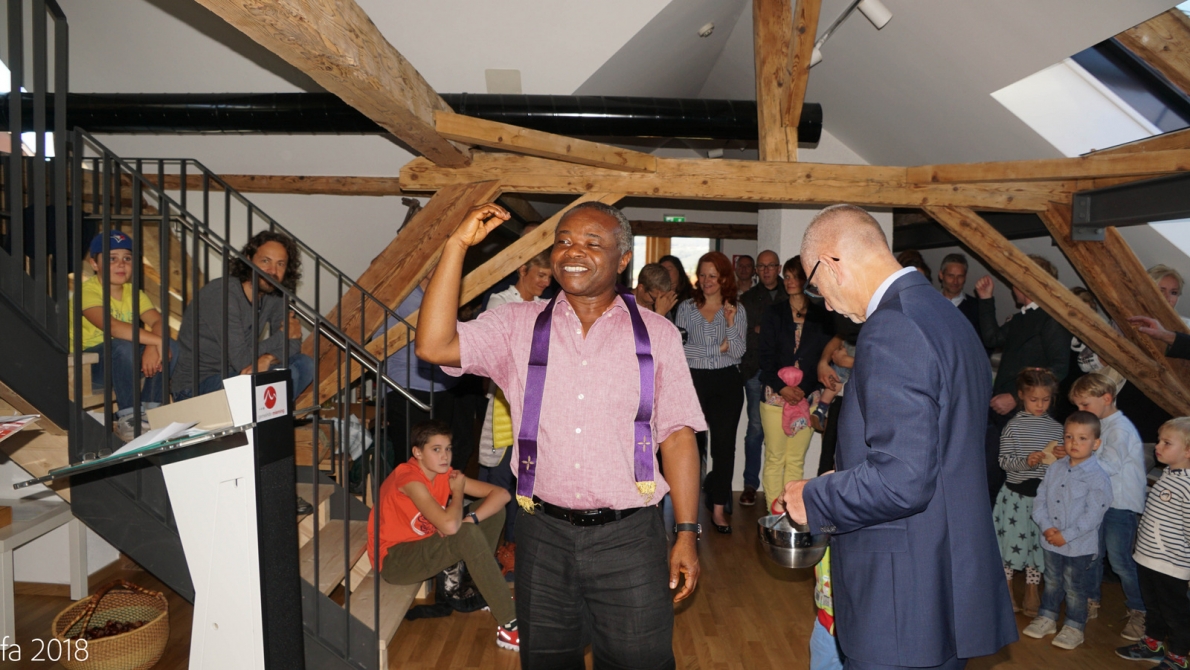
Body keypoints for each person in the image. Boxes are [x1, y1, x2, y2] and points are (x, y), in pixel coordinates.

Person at [415, 200, 706, 668]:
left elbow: (677, 437)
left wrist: (687, 532)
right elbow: (433, 345)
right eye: (564, 241)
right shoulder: (516, 325)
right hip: (543, 536)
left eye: (592, 242)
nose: (574, 251)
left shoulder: (658, 335)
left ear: (623, 259)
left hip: (630, 538)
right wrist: (456, 246)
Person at [780, 204, 1017, 670]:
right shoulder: (944, 315)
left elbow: (903, 480)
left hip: (903, 595)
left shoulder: (893, 326)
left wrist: (815, 495)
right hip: (945, 574)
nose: (824, 302)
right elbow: (939, 452)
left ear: (831, 263)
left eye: (816, 286)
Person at [367, 420, 519, 651]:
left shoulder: (442, 473)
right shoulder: (408, 479)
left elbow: (501, 495)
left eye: (448, 448)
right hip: (395, 561)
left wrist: (470, 520)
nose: (444, 456)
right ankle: (510, 624)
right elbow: (449, 526)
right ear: (417, 452)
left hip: (424, 545)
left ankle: (474, 588)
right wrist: (457, 493)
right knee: (463, 531)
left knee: (491, 512)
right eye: (436, 449)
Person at [479, 248, 554, 577]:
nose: (545, 282)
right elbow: (495, 352)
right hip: (505, 404)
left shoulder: (544, 306)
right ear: (523, 269)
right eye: (541, 275)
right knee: (501, 479)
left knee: (527, 480)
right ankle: (492, 550)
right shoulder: (500, 302)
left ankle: (517, 546)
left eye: (549, 277)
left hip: (535, 403)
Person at [173, 230, 313, 401]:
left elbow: (293, 343)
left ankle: (270, 415)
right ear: (248, 259)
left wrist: (268, 358)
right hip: (196, 386)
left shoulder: (274, 295)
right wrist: (283, 335)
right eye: (265, 261)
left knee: (304, 364)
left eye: (280, 264)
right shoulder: (222, 294)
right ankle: (272, 416)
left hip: (236, 374)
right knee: (278, 377)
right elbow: (242, 359)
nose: (273, 271)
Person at [975, 256, 1071, 504]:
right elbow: (992, 338)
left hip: (1026, 420)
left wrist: (1016, 399)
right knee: (987, 479)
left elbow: (1060, 368)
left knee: (1008, 485)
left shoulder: (1051, 319)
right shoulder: (1022, 318)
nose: (1011, 284)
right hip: (1001, 416)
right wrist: (986, 300)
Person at [72, 230, 178, 440]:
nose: (121, 264)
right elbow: (112, 327)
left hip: (125, 361)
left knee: (172, 346)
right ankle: (129, 417)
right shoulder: (87, 291)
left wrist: (152, 346)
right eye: (112, 259)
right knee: (123, 345)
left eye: (127, 259)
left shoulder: (134, 293)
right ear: (94, 264)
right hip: (91, 368)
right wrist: (157, 341)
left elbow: (158, 322)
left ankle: (151, 411)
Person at [1023, 411, 1112, 650]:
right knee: (1052, 581)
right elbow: (1040, 500)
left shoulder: (1098, 477)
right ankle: (1047, 617)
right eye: (1069, 436)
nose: (1074, 443)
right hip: (1050, 540)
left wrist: (1066, 535)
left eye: (1082, 438)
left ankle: (1074, 626)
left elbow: (1093, 515)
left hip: (1078, 545)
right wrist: (1046, 527)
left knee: (1074, 587)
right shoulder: (1055, 468)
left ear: (1096, 443)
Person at [1066, 372, 1147, 634]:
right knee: (1093, 555)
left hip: (1120, 505)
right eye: (1078, 406)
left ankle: (1140, 610)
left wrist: (1076, 459)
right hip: (1099, 503)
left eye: (1085, 404)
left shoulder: (1120, 429)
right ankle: (1091, 600)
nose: (1081, 410)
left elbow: (1109, 466)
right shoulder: (1100, 425)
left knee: (1120, 560)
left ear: (1107, 398)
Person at [674, 251, 746, 533]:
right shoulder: (686, 308)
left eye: (712, 276)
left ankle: (718, 509)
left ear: (724, 278)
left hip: (727, 382)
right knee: (690, 447)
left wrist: (730, 323)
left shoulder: (736, 309)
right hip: (693, 381)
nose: (706, 281)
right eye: (702, 275)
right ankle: (687, 512)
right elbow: (680, 349)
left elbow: (737, 352)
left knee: (724, 448)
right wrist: (719, 347)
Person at [759, 256, 834, 510]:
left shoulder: (822, 315)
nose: (789, 281)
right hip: (774, 397)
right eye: (787, 276)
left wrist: (805, 389)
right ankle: (774, 513)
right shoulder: (773, 313)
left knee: (795, 461)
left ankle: (790, 513)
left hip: (808, 397)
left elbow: (823, 359)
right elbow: (765, 359)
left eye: (796, 276)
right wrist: (782, 388)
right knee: (774, 458)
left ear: (808, 280)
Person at [1115, 417, 1190, 670]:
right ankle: (1153, 645)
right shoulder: (1169, 474)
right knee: (1154, 607)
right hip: (1149, 558)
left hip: (1171, 565)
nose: (1158, 446)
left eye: (1167, 443)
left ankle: (1178, 657)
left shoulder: (1187, 485)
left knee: (1175, 613)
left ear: (1188, 451)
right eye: (1159, 441)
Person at [994, 368, 1064, 618]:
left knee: (1037, 543)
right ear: (1022, 395)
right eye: (1034, 399)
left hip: (1043, 499)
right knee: (1010, 542)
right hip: (1015, 496)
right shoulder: (1013, 427)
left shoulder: (1057, 428)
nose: (1040, 405)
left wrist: (1063, 457)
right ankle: (1007, 588)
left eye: (1046, 399)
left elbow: (1064, 467)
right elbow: (1004, 461)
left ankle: (1032, 589)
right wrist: (1026, 461)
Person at [739, 250, 786, 506]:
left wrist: (763, 330)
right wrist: (765, 331)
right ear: (757, 270)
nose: (766, 270)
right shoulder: (747, 299)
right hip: (756, 369)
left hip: (786, 372)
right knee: (756, 428)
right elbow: (743, 335)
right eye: (762, 266)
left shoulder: (791, 294)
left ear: (779, 268)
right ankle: (750, 484)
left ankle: (782, 486)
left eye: (771, 266)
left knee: (785, 428)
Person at [937, 253, 979, 335]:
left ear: (965, 277)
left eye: (960, 276)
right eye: (951, 276)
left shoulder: (977, 307)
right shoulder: (929, 303)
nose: (955, 281)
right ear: (941, 275)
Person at [658, 254, 694, 321]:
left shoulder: (692, 296)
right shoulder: (658, 297)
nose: (665, 273)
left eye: (669, 270)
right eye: (662, 271)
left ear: (679, 271)